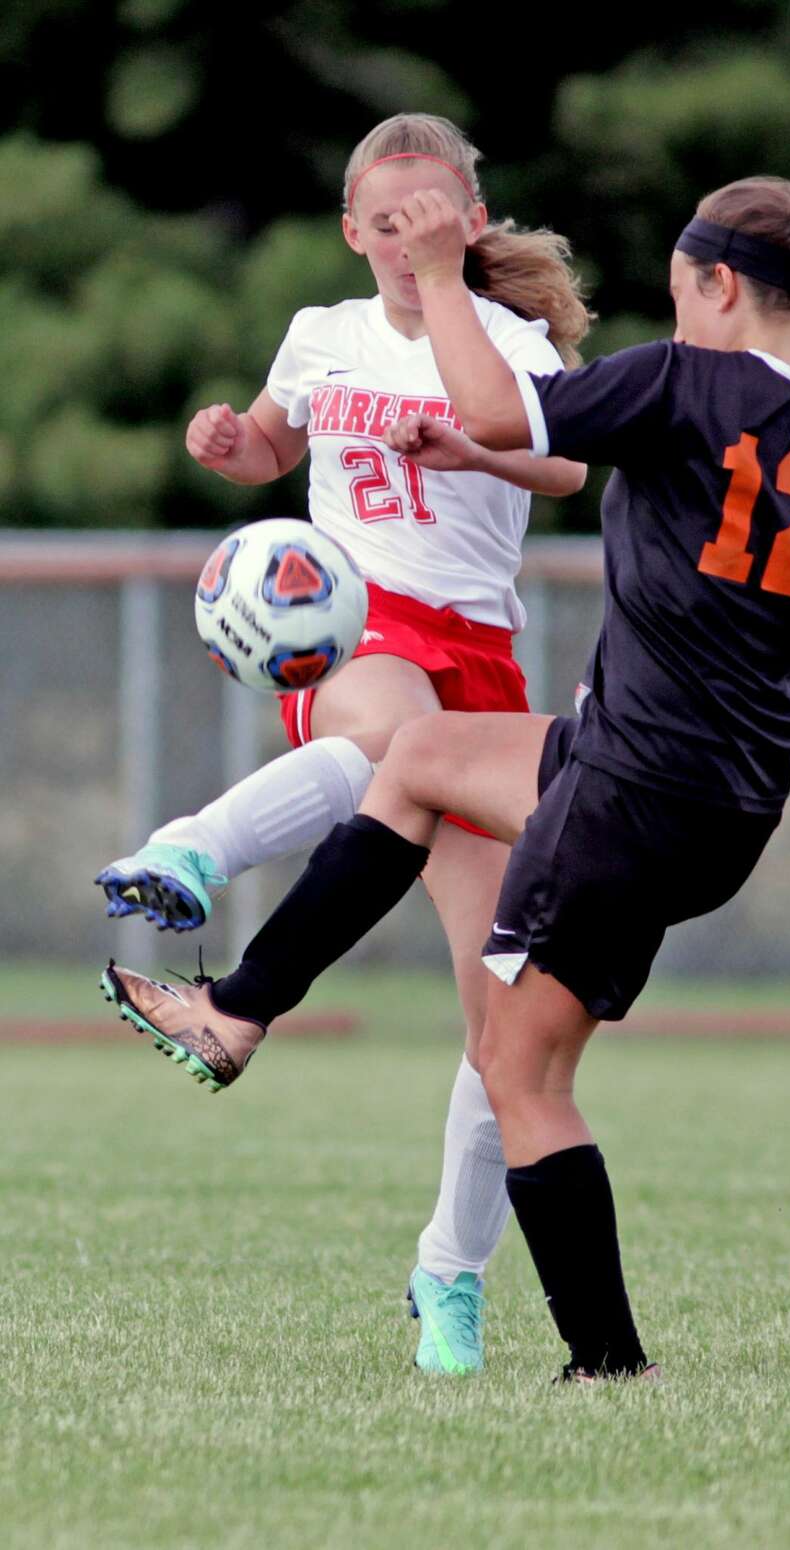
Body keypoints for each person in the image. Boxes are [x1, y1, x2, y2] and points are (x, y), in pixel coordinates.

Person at [102, 174, 790, 1381]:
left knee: (518, 1070)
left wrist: (437, 271)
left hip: (628, 788)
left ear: (720, 285)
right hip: (719, 796)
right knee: (422, 756)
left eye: (685, 287)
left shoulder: (677, 383)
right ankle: (239, 1009)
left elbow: (495, 410)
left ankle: (605, 1363)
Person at [96, 112, 592, 1377]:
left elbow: (569, 466)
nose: (406, 240)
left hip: (479, 656)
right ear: (352, 232)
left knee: (505, 1031)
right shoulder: (322, 334)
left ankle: (448, 1273)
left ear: (471, 223)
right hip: (355, 630)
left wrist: (471, 437)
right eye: (385, 222)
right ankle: (191, 852)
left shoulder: (510, 338)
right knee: (398, 736)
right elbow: (275, 440)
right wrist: (233, 445)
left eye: (432, 220)